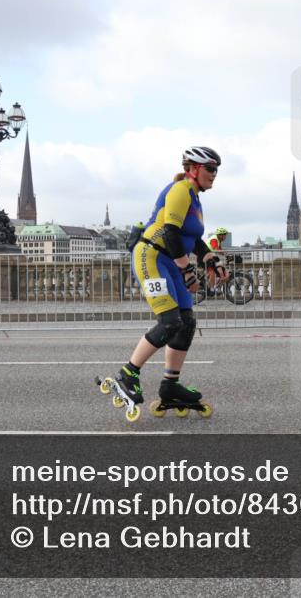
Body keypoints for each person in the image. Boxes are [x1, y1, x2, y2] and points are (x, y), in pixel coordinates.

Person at [114, 146, 229, 416]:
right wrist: (187, 271)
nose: (214, 174)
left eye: (216, 170)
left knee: (186, 321)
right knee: (170, 322)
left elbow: (192, 238)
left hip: (169, 259)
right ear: (193, 169)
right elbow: (169, 231)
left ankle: (170, 385)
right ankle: (127, 374)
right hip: (152, 257)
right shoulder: (181, 190)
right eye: (210, 169)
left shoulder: (196, 198)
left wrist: (210, 258)